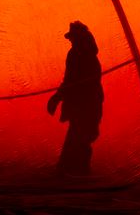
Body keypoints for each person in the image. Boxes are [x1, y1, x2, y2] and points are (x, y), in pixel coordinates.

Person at [45, 21, 103, 176]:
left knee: (80, 136)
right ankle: (75, 170)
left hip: (86, 102)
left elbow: (71, 80)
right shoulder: (81, 54)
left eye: (72, 38)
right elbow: (70, 80)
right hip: (86, 101)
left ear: (79, 38)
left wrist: (57, 98)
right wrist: (58, 97)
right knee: (80, 135)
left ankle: (73, 170)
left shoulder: (80, 55)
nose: (71, 41)